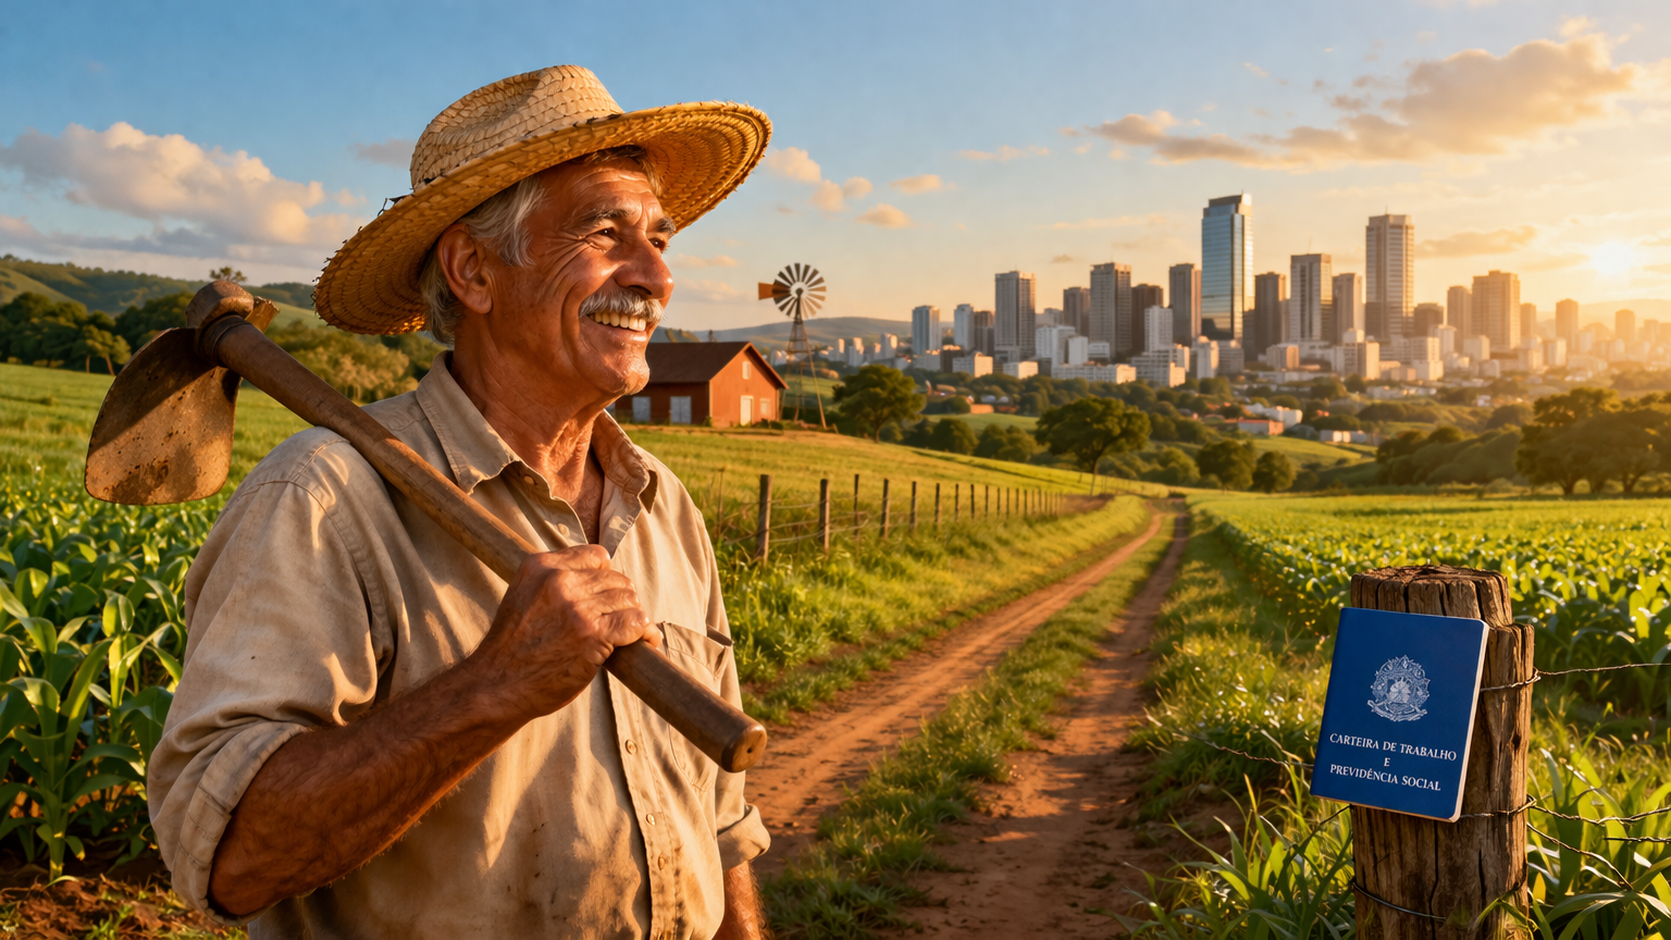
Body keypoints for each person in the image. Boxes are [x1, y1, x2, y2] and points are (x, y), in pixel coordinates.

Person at [148, 65, 774, 939]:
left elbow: (718, 819)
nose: (655, 276)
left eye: (660, 238)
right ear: (474, 270)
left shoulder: (660, 505)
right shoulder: (325, 500)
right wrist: (497, 685)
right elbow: (229, 859)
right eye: (605, 233)